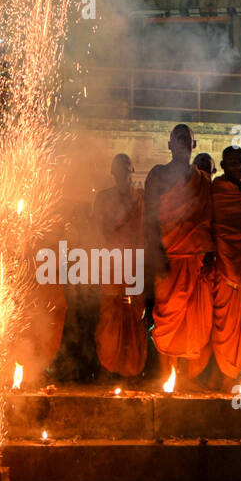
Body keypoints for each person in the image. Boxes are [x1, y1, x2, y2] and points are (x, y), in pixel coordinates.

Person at [145, 124, 214, 388]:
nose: (183, 143)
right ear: (170, 144)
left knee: (191, 321)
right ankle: (167, 376)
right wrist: (156, 253)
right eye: (179, 138)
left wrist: (209, 255)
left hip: (194, 259)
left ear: (193, 146)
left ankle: (184, 377)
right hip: (169, 257)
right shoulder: (158, 175)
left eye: (188, 139)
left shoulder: (201, 181)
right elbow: (150, 217)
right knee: (166, 319)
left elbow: (208, 220)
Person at [209, 145, 241, 389]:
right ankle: (223, 373)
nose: (238, 167)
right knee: (224, 323)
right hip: (224, 265)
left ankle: (237, 372)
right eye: (232, 162)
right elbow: (212, 223)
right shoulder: (216, 190)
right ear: (222, 165)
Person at [92, 154, 147, 378]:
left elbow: (146, 231)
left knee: (134, 316)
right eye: (117, 171)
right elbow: (96, 230)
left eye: (125, 171)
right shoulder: (104, 199)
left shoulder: (140, 198)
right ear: (112, 174)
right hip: (110, 264)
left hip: (134, 265)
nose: (121, 175)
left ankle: (132, 369)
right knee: (110, 315)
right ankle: (108, 367)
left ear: (131, 172)